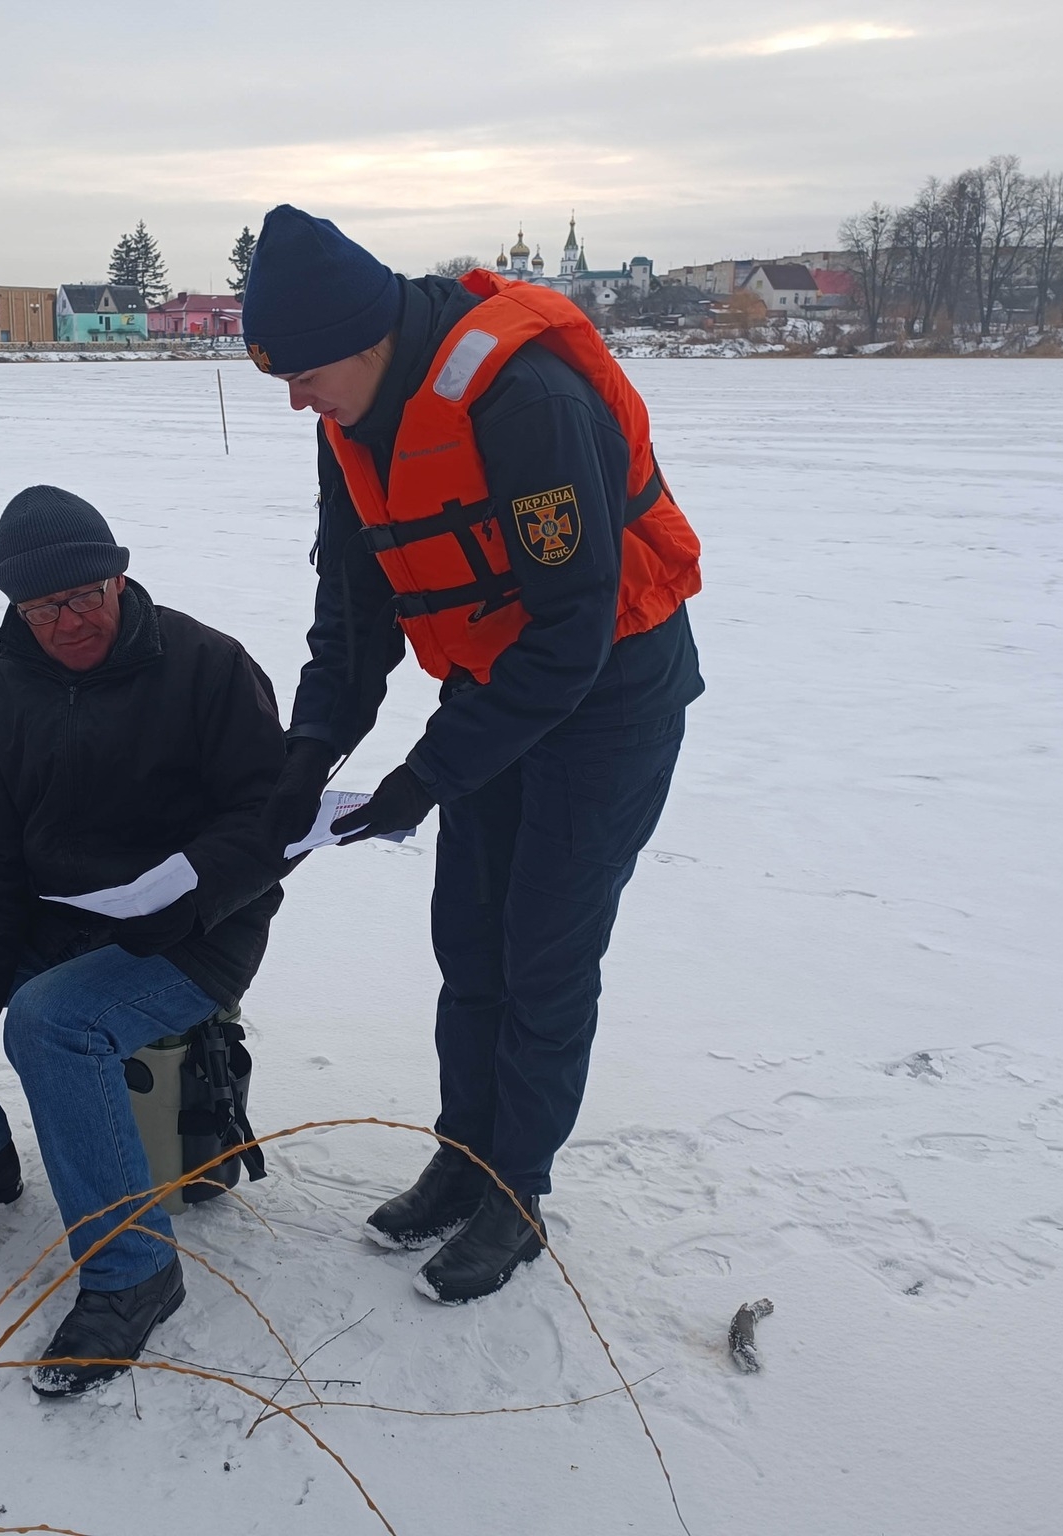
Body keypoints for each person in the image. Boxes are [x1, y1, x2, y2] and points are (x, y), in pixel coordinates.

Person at [243, 205, 705, 1304]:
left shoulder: (525, 402)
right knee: (470, 938)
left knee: (542, 948)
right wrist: (307, 753)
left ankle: (515, 1192)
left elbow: (569, 635)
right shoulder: (350, 423)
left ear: (363, 339)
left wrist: (425, 775)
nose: (297, 402)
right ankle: (463, 1154)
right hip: (497, 689)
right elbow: (353, 620)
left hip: (606, 689)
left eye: (303, 375)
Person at [0, 485, 287, 1396]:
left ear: (119, 577)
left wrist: (192, 896)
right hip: (56, 918)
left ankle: (135, 1272)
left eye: (84, 596)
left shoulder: (208, 666)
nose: (66, 621)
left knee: (51, 1021)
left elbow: (270, 821)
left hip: (197, 934)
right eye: (40, 607)